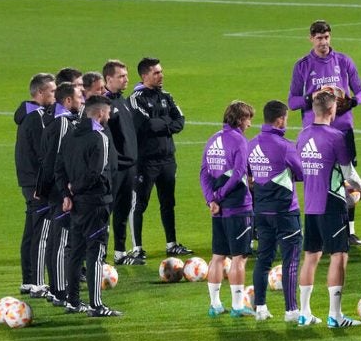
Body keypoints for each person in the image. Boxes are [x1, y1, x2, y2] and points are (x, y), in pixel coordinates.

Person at [289, 20, 361, 246]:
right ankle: (320, 231)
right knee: (317, 178)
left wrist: (350, 102)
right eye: (319, 38)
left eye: (326, 37)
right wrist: (311, 98)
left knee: (348, 178)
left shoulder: (343, 61)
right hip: (315, 133)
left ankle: (349, 230)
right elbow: (292, 101)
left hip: (342, 130)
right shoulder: (302, 66)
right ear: (311, 39)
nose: (323, 42)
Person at [296, 89, 361, 328]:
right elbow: (349, 174)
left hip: (311, 205)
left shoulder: (302, 136)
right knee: (339, 256)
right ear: (332, 110)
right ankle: (335, 316)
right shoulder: (336, 137)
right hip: (332, 204)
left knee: (311, 257)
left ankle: (304, 313)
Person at [55, 95, 121, 317]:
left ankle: (73, 301)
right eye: (108, 113)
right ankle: (96, 305)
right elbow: (96, 172)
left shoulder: (70, 135)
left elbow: (59, 169)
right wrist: (74, 190)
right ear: (100, 113)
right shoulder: (98, 137)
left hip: (75, 205)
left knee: (75, 252)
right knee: (95, 252)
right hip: (95, 203)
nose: (109, 117)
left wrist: (66, 194)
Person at [130, 57, 193, 259]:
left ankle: (171, 243)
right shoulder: (135, 99)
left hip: (167, 159)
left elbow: (180, 121)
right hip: (145, 161)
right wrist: (167, 123)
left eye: (161, 71)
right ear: (145, 75)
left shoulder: (166, 95)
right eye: (156, 72)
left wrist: (162, 123)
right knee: (140, 203)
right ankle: (137, 248)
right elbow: (146, 125)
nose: (161, 75)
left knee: (168, 202)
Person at [248, 101, 304, 322]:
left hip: (261, 211)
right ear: (280, 119)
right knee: (290, 260)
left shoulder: (251, 144)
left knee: (263, 259)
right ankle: (291, 311)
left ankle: (260, 308)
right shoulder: (285, 146)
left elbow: (249, 175)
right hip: (285, 211)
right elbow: (300, 173)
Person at [200, 100, 254, 318]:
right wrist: (220, 197)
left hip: (217, 209)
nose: (250, 124)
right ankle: (238, 306)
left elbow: (203, 172)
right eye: (249, 119)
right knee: (239, 257)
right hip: (237, 206)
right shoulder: (239, 141)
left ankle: (215, 305)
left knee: (217, 257)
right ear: (240, 120)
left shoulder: (213, 139)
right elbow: (240, 172)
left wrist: (210, 200)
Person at [35, 82, 83, 305]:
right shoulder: (63, 124)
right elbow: (54, 162)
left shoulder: (62, 122)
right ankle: (60, 291)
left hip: (57, 191)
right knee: (61, 241)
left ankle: (57, 289)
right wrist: (63, 192)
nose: (82, 100)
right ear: (68, 101)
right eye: (79, 97)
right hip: (61, 192)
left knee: (58, 239)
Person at [14, 72, 56, 295]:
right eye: (51, 91)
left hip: (29, 182)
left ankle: (28, 280)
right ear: (40, 93)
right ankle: (38, 284)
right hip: (39, 184)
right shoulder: (38, 117)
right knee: (41, 233)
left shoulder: (26, 115)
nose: (55, 94)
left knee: (31, 231)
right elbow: (45, 154)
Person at [103, 60, 142, 265]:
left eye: (126, 76)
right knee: (106, 212)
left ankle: (120, 252)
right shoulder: (105, 104)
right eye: (121, 76)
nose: (126, 79)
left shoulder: (123, 100)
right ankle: (99, 255)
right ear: (108, 79)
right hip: (116, 167)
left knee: (123, 210)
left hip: (130, 166)